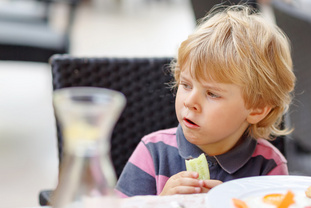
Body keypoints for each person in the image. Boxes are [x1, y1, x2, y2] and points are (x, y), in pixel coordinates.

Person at [116, 4, 295, 197]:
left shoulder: (268, 167)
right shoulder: (153, 153)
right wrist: (161, 204)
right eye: (186, 85)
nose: (190, 101)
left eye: (212, 94)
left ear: (257, 109)